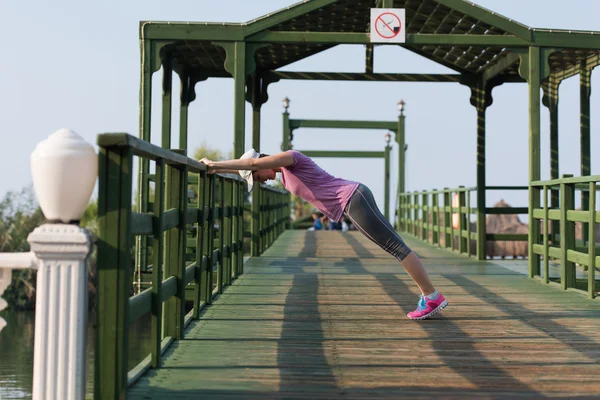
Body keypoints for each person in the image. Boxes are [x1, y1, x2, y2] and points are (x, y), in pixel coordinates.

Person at [200, 149, 448, 320]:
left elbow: (253, 164)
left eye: (257, 179)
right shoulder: (284, 176)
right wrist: (218, 170)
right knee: (396, 247)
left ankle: (431, 296)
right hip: (354, 199)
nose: (261, 182)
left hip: (352, 199)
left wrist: (215, 164)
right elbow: (250, 167)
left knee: (397, 248)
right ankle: (430, 295)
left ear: (262, 163)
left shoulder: (290, 158)